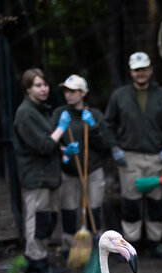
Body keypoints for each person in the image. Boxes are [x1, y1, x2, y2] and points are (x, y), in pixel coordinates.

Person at [105, 51, 162, 259]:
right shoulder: (120, 96)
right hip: (129, 157)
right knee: (130, 203)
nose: (141, 73)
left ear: (150, 70)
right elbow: (108, 124)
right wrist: (115, 148)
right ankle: (130, 245)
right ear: (131, 72)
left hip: (156, 156)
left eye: (144, 69)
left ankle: (156, 243)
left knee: (155, 202)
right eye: (137, 70)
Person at [13, 68, 71, 273]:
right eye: (38, 85)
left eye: (45, 84)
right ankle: (38, 262)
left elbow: (49, 144)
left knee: (47, 218)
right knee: (38, 220)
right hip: (36, 176)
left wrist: (64, 150)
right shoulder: (25, 113)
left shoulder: (40, 110)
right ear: (28, 89)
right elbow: (44, 145)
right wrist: (61, 128)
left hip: (48, 175)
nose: (44, 88)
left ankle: (32, 258)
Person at [52, 74, 112, 257]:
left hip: (92, 170)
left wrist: (92, 127)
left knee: (94, 208)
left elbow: (105, 145)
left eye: (73, 91)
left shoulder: (95, 115)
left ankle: (97, 247)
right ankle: (68, 247)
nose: (68, 95)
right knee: (69, 209)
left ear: (83, 92)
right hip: (69, 171)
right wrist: (65, 151)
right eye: (66, 91)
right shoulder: (60, 114)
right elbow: (52, 142)